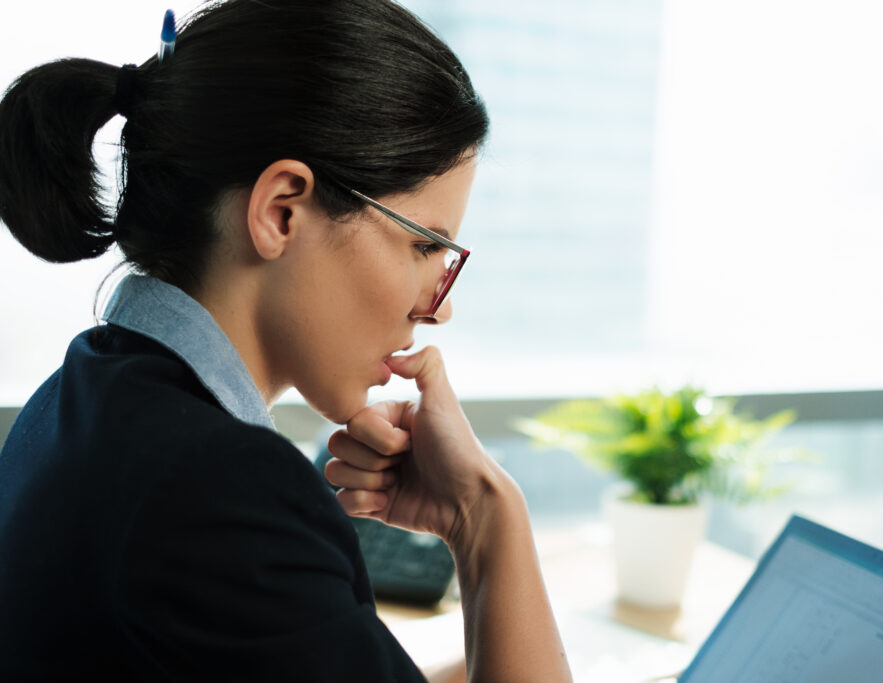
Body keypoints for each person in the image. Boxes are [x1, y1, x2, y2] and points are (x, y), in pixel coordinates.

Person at [0, 1, 572, 681]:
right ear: (283, 211)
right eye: (424, 245)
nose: (437, 309)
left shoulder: (78, 398)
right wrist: (485, 516)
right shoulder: (221, 492)